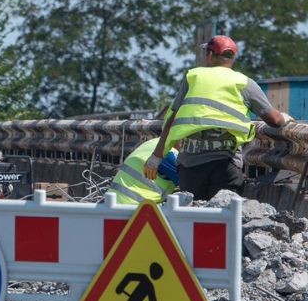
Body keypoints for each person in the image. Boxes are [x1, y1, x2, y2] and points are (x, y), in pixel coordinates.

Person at [145, 35, 291, 200]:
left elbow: (172, 118)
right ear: (232, 58)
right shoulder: (244, 83)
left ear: (210, 54)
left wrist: (157, 156)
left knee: (193, 218)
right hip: (226, 165)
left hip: (191, 167)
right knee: (225, 219)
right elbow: (275, 121)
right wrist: (284, 118)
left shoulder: (193, 77)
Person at [110, 138, 180, 205]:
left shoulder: (153, 143)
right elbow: (188, 187)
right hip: (135, 207)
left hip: (113, 201)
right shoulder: (170, 153)